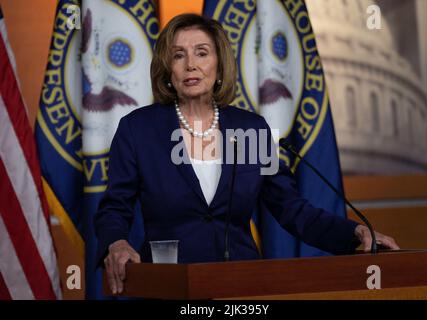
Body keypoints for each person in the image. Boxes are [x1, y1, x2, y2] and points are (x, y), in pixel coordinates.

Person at [95, 13, 399, 295]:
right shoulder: (139, 129)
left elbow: (291, 208)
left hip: (241, 284)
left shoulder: (250, 129)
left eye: (202, 53)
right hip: (168, 285)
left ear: (219, 66)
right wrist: (116, 242)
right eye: (178, 55)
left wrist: (354, 232)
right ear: (167, 70)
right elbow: (114, 207)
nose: (190, 64)